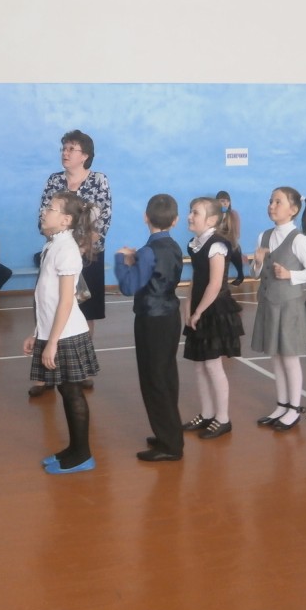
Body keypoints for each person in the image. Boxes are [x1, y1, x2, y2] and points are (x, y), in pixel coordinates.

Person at [30, 130, 112, 396]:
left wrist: (80, 249)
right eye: (63, 148)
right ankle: (44, 376)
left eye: (71, 149)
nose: (65, 153)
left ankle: (81, 368)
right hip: (57, 252)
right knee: (48, 304)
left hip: (88, 255)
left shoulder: (99, 180)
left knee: (85, 310)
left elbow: (103, 220)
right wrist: (62, 246)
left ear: (85, 155)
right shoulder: (54, 180)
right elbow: (43, 215)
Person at [25, 191, 101, 474]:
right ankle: (74, 448)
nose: (44, 211)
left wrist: (52, 342)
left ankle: (83, 455)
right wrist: (37, 333)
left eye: (51, 208)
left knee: (72, 392)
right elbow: (45, 297)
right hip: (54, 332)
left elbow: (67, 301)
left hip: (67, 334)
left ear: (66, 219)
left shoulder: (67, 249)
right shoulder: (53, 245)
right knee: (66, 391)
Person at [114, 194, 185, 461]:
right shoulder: (174, 246)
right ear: (175, 220)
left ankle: (169, 445)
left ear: (146, 217)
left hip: (151, 319)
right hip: (170, 316)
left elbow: (129, 286)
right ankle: (170, 433)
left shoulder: (147, 252)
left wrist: (121, 260)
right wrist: (138, 260)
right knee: (166, 375)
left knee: (153, 379)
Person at [252, 188, 306, 431]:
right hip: (269, 304)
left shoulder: (299, 240)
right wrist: (257, 263)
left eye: (278, 202)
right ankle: (281, 405)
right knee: (275, 357)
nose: (272, 205)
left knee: (290, 358)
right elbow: (256, 273)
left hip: (289, 306)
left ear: (293, 210)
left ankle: (294, 409)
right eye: (270, 201)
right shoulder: (263, 236)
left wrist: (291, 274)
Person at [181, 196, 245, 440]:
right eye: (190, 211)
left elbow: (215, 284)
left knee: (212, 365)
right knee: (199, 364)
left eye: (195, 213)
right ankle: (207, 413)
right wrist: (188, 304)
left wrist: (199, 311)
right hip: (199, 307)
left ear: (211, 220)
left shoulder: (217, 245)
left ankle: (223, 418)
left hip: (214, 309)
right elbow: (197, 278)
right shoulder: (195, 243)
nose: (190, 216)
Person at [217, 190, 246, 285]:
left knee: (235, 249)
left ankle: (240, 275)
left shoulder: (233, 214)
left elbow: (237, 233)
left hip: (230, 241)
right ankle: (220, 279)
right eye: (222, 201)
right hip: (217, 242)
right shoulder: (214, 215)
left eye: (227, 201)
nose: (225, 203)